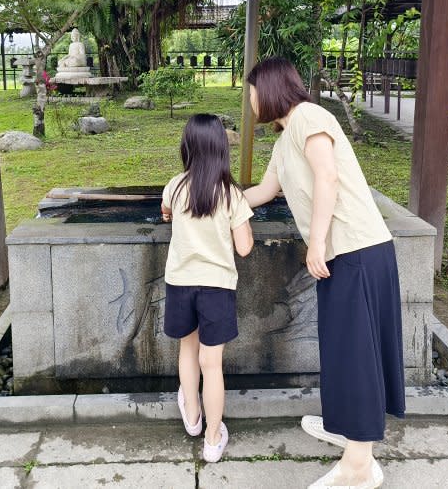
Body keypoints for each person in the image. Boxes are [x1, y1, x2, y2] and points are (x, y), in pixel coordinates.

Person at [242, 57, 404, 489]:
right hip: (345, 254)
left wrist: (316, 243)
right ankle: (346, 427)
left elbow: (327, 178)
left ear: (272, 88)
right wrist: (212, 202)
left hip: (357, 249)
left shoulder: (310, 117)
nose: (250, 99)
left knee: (355, 351)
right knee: (341, 347)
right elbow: (262, 192)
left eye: (252, 90)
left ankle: (359, 466)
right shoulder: (283, 138)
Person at [161, 113, 254, 463]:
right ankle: (213, 440)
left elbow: (166, 211)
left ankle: (193, 417)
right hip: (216, 287)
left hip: (181, 283)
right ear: (221, 149)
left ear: (187, 148)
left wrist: (171, 216)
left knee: (188, 350)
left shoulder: (175, 185)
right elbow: (244, 247)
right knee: (211, 364)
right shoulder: (231, 194)